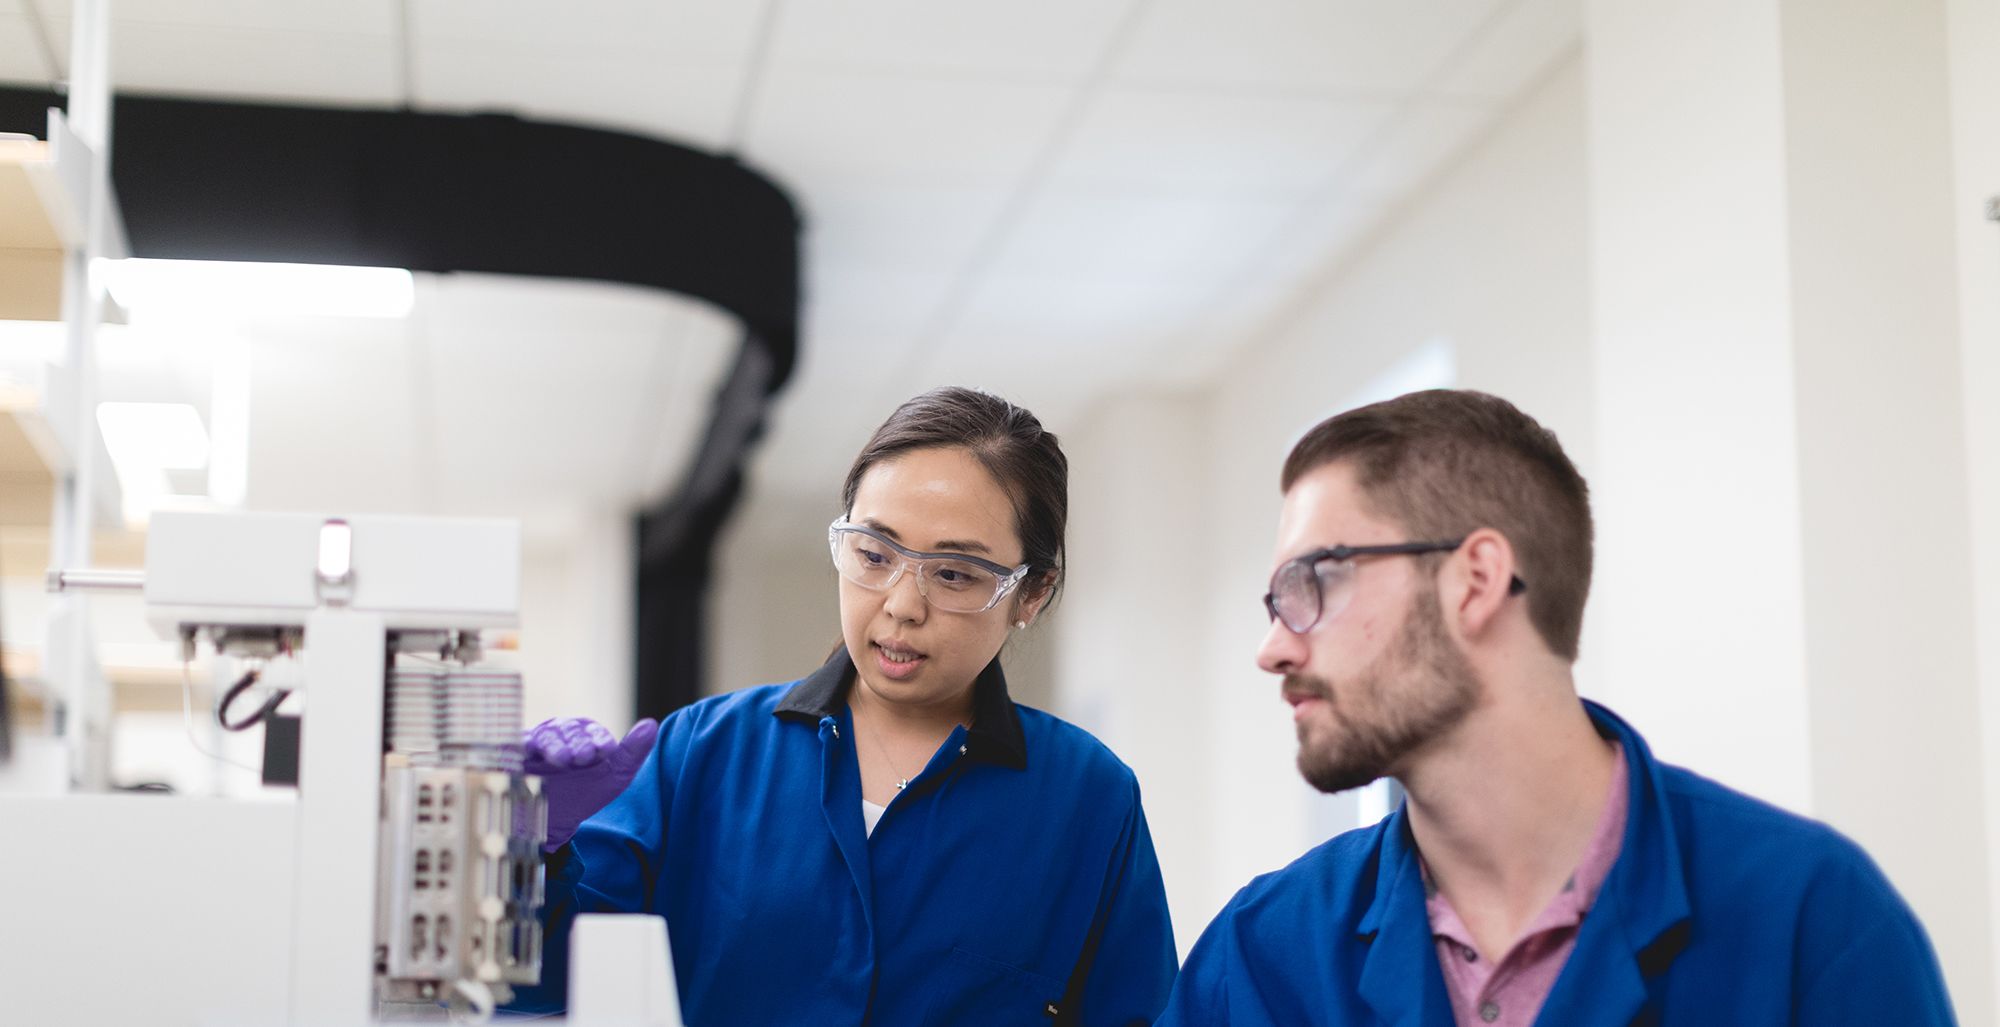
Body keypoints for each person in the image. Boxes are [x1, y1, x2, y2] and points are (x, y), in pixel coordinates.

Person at [1158, 389, 1955, 1025]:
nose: (1275, 648)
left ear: (1476, 580)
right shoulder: (1261, 954)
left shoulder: (1810, 920)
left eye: (1314, 583)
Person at [507, 386, 1176, 1024]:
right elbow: (537, 985)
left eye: (954, 573)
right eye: (874, 553)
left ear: (1030, 594)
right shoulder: (705, 753)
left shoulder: (1089, 799)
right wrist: (534, 848)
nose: (901, 604)